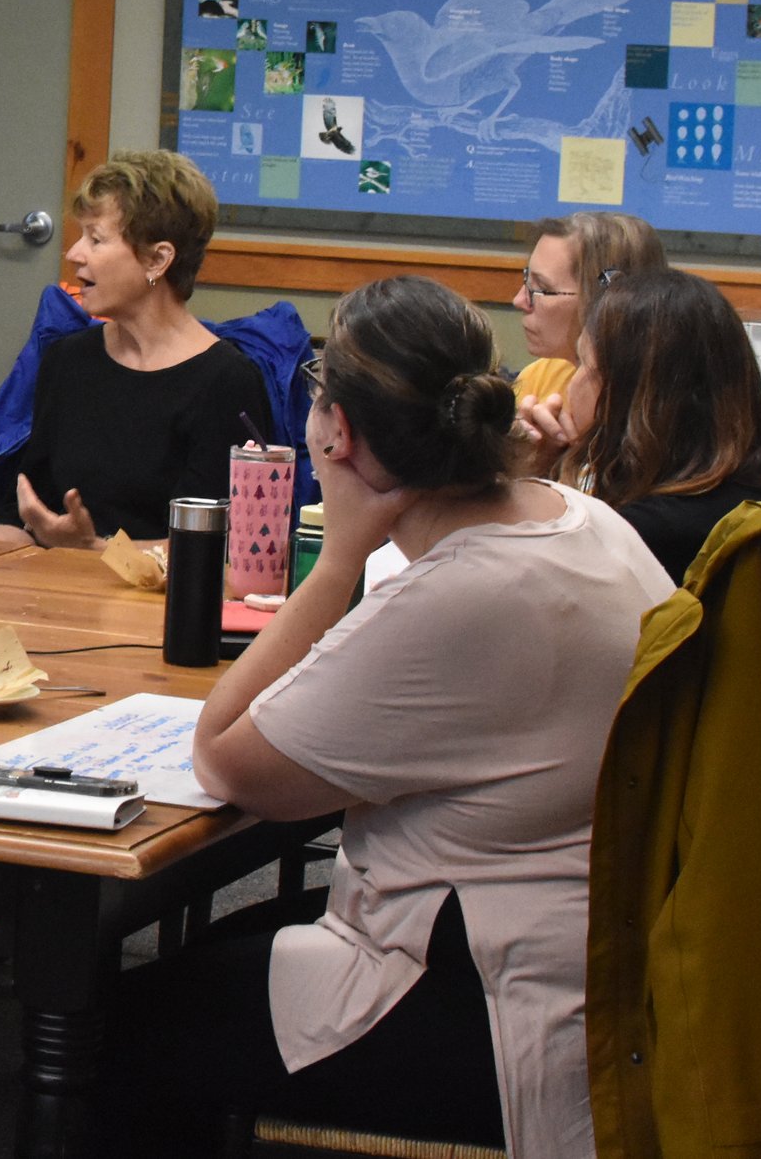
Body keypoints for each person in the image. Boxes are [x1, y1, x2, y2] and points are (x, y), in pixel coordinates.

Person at [113, 276, 666, 1158]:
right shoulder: (586, 519)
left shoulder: (459, 593)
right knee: (220, 950)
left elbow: (226, 759)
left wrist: (338, 557)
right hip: (602, 952)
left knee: (124, 1028)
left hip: (495, 985)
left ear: (339, 435)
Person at [0, 149, 266, 547]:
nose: (73, 254)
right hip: (55, 597)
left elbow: (216, 549)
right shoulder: (67, 360)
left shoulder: (226, 382)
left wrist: (93, 550)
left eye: (96, 239)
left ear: (158, 259)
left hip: (158, 606)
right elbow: (24, 517)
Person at [556, 267, 761, 583]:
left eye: (582, 363)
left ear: (627, 393)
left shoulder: (633, 536)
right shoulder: (754, 496)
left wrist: (542, 476)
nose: (570, 382)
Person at [509, 210, 663, 460]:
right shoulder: (541, 376)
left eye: (542, 289)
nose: (519, 301)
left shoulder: (658, 403)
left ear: (607, 301)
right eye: (527, 281)